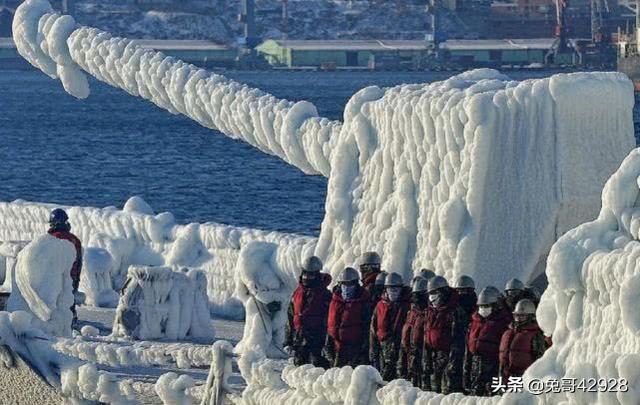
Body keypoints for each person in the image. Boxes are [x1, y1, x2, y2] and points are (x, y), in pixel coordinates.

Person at [422, 276, 468, 394]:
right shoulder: (431, 311)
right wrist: (426, 359)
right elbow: (427, 335)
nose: (432, 297)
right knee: (433, 392)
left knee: (447, 392)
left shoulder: (455, 311)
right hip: (434, 358)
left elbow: (458, 340)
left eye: (434, 293)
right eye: (430, 293)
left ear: (443, 292)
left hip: (449, 358)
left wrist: (452, 364)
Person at [284, 256, 332, 367]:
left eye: (311, 275)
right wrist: (288, 340)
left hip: (318, 339)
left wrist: (327, 343)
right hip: (299, 339)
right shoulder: (297, 293)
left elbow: (330, 320)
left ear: (317, 275)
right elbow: (291, 316)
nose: (307, 277)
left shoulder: (325, 295)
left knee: (317, 367)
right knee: (299, 367)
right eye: (305, 274)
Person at [464, 286, 512, 396]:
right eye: (481, 306)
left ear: (495, 306)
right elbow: (468, 347)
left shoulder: (503, 322)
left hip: (493, 366)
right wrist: (466, 371)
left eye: (486, 306)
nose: (483, 309)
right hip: (475, 366)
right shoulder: (475, 322)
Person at [325, 267, 372, 367]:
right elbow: (331, 324)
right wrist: (328, 344)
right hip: (338, 347)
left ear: (355, 284)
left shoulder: (363, 301)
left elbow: (367, 324)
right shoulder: (335, 301)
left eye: (350, 284)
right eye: (344, 284)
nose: (346, 287)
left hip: (356, 348)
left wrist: (364, 346)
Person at [369, 272, 410, 380]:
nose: (394, 292)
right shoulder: (380, 306)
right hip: (384, 352)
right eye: (391, 289)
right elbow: (373, 330)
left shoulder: (407, 305)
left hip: (401, 352)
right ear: (386, 289)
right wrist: (373, 352)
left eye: (397, 289)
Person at [48, 208, 83, 324]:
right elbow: (79, 260)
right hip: (72, 276)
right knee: (69, 300)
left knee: (56, 301)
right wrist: (77, 277)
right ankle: (72, 319)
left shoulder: (53, 238)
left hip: (56, 277)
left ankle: (56, 323)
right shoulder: (74, 239)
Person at [499, 299, 547, 379]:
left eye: (522, 316)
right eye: (516, 315)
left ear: (530, 317)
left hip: (524, 377)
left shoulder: (535, 335)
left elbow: (540, 359)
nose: (518, 319)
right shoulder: (508, 333)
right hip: (507, 376)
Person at [398, 276, 428, 388]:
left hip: (423, 363)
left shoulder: (428, 314)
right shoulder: (411, 313)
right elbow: (405, 339)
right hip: (410, 360)